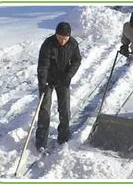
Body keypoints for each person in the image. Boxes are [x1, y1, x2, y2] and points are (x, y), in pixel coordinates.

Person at [36, 22, 82, 151]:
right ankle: (41, 141)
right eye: (59, 37)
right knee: (44, 109)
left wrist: (68, 76)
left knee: (65, 109)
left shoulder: (73, 44)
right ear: (55, 35)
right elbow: (43, 66)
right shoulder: (48, 44)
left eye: (65, 38)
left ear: (69, 37)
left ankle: (63, 137)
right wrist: (43, 83)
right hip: (48, 80)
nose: (62, 40)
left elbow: (77, 60)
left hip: (63, 80)